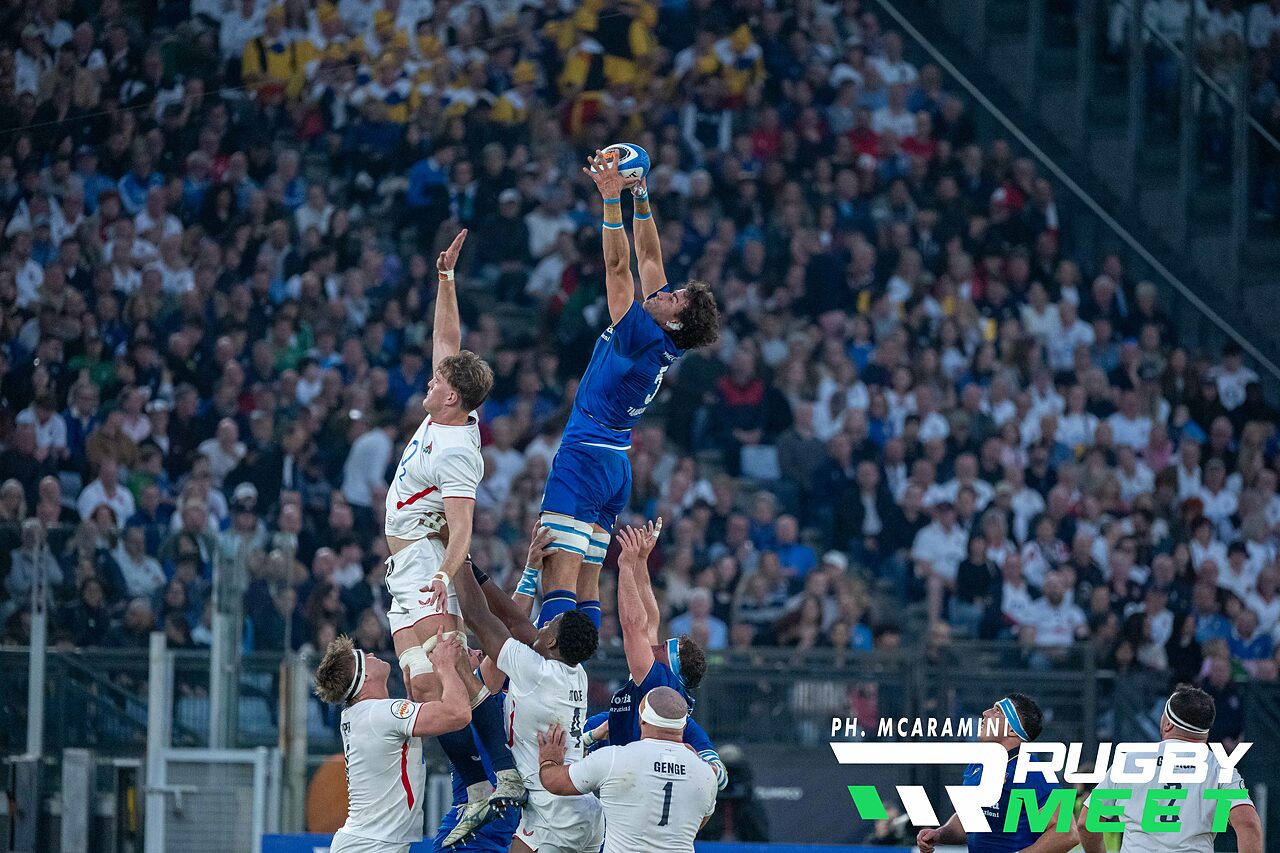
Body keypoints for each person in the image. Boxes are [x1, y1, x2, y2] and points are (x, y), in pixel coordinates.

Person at [533, 151, 721, 630]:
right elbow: (650, 258)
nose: (666, 291)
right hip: (615, 463)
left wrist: (610, 201)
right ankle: (580, 665)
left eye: (675, 296)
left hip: (587, 454)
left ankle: (553, 673)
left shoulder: (642, 333)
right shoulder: (665, 336)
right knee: (590, 580)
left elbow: (619, 269)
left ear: (675, 318)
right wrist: (640, 195)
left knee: (558, 573)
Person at [381, 229, 521, 830]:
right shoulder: (450, 411)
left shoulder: (459, 450)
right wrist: (445, 280)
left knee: (442, 682)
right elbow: (448, 341)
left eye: (438, 382)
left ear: (453, 397)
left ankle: (485, 783)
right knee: (430, 685)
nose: (428, 382)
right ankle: (496, 777)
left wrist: (442, 575)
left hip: (422, 565)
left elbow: (464, 529)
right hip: (406, 566)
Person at [450, 549, 603, 851]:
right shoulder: (574, 670)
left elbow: (479, 618)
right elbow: (514, 620)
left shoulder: (537, 673)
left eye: (548, 625)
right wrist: (474, 567)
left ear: (552, 642)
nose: (541, 625)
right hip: (581, 808)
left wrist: (456, 558)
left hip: (554, 808)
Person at [311, 631, 471, 853]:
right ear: (365, 677)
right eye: (365, 656)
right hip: (372, 845)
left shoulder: (358, 713)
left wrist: (411, 699)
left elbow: (395, 745)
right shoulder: (380, 714)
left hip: (367, 842)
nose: (372, 653)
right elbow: (458, 714)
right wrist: (446, 666)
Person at [1075, 685, 1263, 853]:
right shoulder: (1220, 768)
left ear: (1168, 723)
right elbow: (1248, 824)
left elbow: (1086, 823)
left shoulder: (1131, 760)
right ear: (1206, 730)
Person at [537, 686, 718, 853]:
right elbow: (696, 823)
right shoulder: (706, 773)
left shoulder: (615, 758)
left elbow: (553, 782)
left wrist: (549, 759)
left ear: (641, 720)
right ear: (684, 725)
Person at [584, 521, 710, 749]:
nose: (657, 645)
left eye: (664, 648)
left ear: (673, 665)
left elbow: (634, 625)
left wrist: (625, 566)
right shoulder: (667, 680)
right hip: (621, 741)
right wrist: (641, 561)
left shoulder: (660, 681)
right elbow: (650, 621)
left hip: (631, 759)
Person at [916, 694, 1079, 853]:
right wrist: (940, 834)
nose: (985, 713)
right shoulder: (977, 765)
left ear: (1012, 729)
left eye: (997, 711)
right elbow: (968, 820)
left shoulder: (1034, 772)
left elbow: (1068, 833)